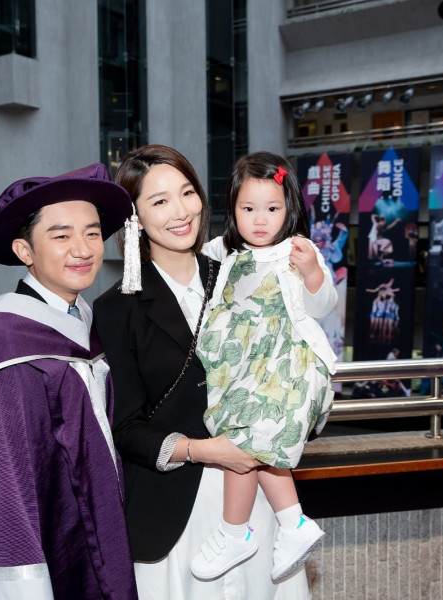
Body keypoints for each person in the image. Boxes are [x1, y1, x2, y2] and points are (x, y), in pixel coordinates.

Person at [93, 145, 310, 599]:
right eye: (160, 201)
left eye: (187, 192)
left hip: (256, 502)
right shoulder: (116, 308)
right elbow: (124, 427)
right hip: (175, 514)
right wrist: (202, 450)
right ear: (135, 218)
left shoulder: (241, 275)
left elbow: (289, 360)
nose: (181, 211)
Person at [0, 164, 138, 600]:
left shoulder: (82, 324)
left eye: (92, 233)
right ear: (25, 250)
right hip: (46, 553)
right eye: (61, 236)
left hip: (90, 535)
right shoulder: (4, 347)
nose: (83, 249)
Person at [192, 151, 337, 583]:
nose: (260, 220)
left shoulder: (298, 250)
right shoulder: (221, 251)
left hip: (286, 366)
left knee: (246, 440)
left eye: (272, 209)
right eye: (248, 209)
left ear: (289, 208)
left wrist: (311, 272)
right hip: (243, 370)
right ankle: (292, 522)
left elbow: (323, 305)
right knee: (254, 446)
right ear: (232, 209)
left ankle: (236, 531)